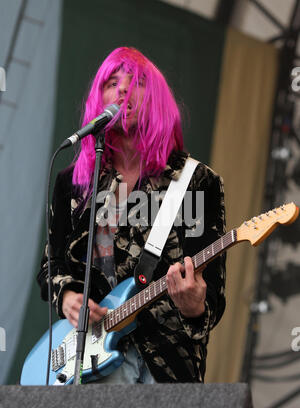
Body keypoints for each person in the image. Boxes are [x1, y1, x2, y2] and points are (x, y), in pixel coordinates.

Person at [37, 47, 226, 384]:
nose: (123, 89)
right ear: (99, 99)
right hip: (90, 359)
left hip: (167, 367)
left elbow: (212, 298)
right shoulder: (74, 183)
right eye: (112, 82)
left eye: (136, 81)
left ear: (157, 99)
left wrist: (194, 304)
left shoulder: (196, 182)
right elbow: (51, 265)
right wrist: (67, 298)